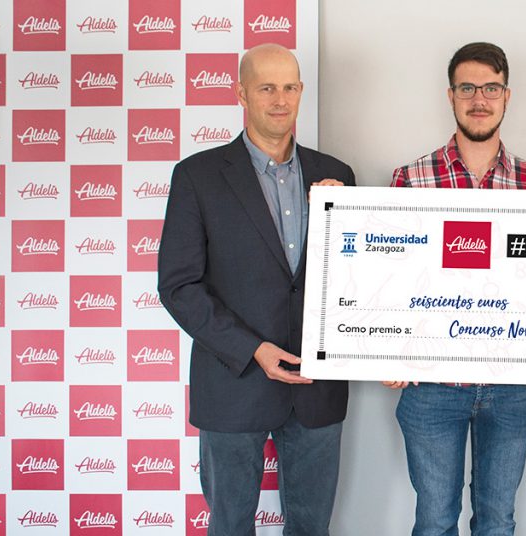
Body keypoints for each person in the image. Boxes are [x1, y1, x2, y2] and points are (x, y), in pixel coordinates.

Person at [158, 43, 354, 536]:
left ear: (302, 92)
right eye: (266, 87)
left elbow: (358, 278)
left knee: (311, 528)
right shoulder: (197, 176)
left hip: (317, 387)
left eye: (289, 87)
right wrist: (253, 349)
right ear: (241, 92)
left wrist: (347, 216)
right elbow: (179, 285)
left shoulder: (337, 176)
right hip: (233, 381)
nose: (280, 99)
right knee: (230, 526)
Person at [384, 42, 526, 536]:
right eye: (468, 88)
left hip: (513, 386)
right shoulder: (409, 179)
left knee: (498, 521)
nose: (480, 99)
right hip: (432, 387)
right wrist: (386, 349)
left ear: (507, 95)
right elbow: (392, 277)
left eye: (491, 88)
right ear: (451, 96)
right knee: (434, 522)